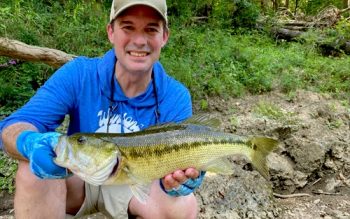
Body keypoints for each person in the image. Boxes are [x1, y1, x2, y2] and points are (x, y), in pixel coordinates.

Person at [0, 0, 205, 218]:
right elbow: (12, 127)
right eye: (127, 27)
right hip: (80, 179)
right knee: (32, 172)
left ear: (164, 37)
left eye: (151, 29)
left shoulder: (175, 96)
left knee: (183, 205)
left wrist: (183, 177)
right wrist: (29, 143)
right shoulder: (78, 74)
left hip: (136, 185)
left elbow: (183, 163)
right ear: (111, 32)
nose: (139, 40)